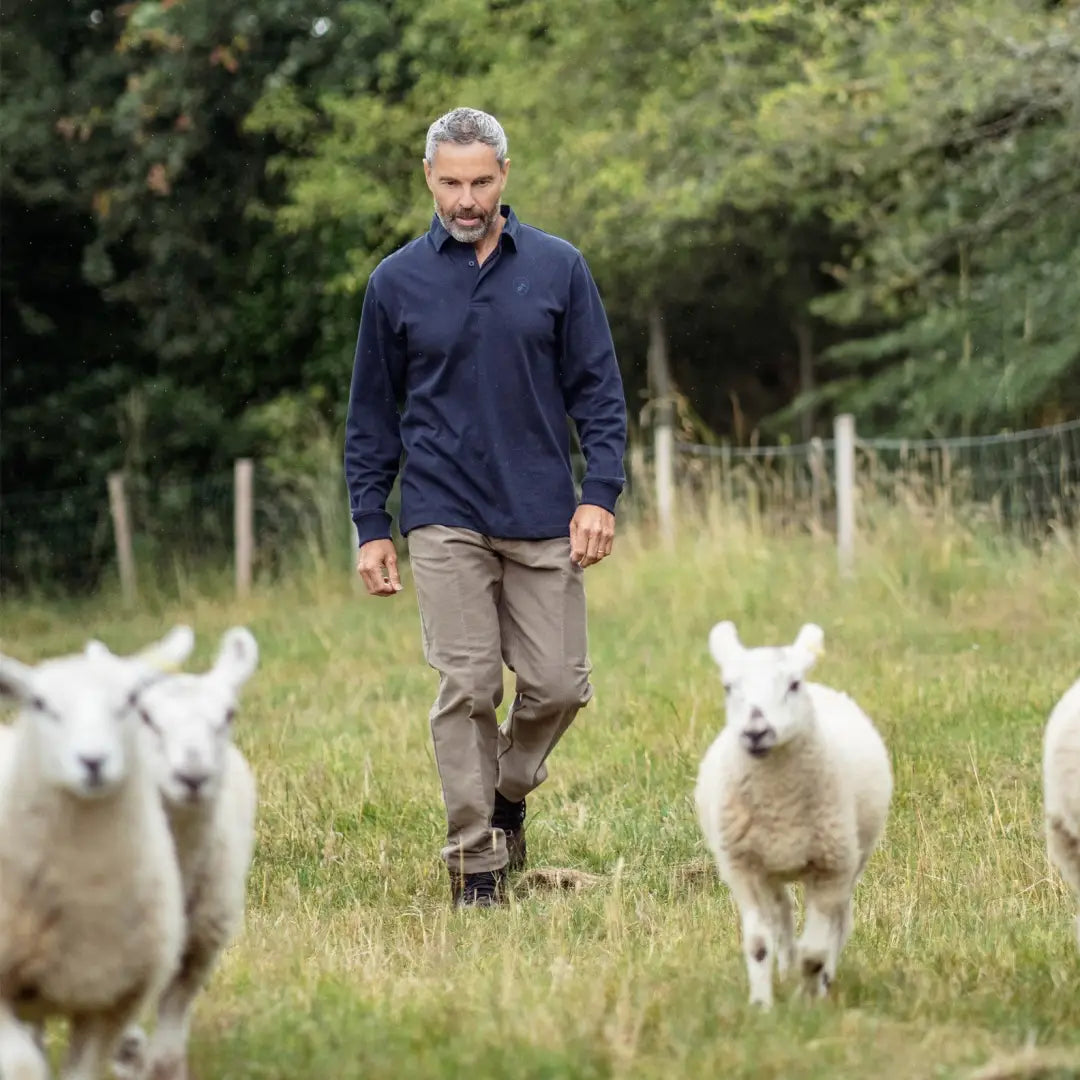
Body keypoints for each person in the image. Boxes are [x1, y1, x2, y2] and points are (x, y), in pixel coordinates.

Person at [344, 106, 627, 907]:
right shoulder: (394, 284)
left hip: (543, 511)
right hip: (442, 513)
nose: (465, 199)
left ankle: (508, 789)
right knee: (467, 686)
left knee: (561, 685)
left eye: (479, 182)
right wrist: (373, 524)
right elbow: (370, 417)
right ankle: (476, 868)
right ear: (428, 178)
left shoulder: (560, 268)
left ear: (504, 176)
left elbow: (599, 393)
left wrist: (598, 494)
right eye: (450, 182)